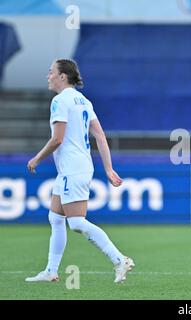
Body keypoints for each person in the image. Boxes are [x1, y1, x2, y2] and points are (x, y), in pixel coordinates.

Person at [25, 59, 135, 283]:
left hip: (72, 169)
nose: (48, 76)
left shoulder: (60, 101)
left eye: (51, 72)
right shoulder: (83, 101)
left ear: (62, 76)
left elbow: (57, 139)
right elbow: (100, 135)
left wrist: (36, 158)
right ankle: (51, 270)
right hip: (79, 167)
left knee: (75, 222)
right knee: (55, 217)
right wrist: (108, 168)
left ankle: (119, 259)